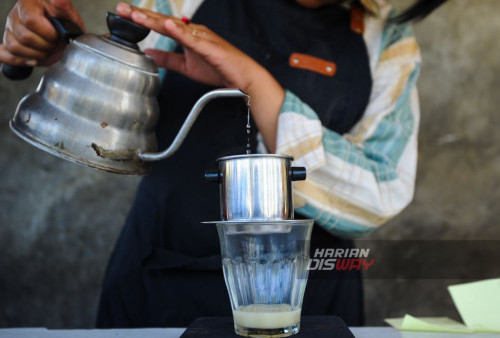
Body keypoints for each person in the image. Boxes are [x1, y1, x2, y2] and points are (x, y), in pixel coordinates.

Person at [1, 0, 447, 328]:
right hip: (163, 275)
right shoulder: (184, 1)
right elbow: (111, 98)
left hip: (309, 298)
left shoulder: (387, 42)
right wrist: (58, 52)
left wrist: (254, 81)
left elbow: (379, 193)